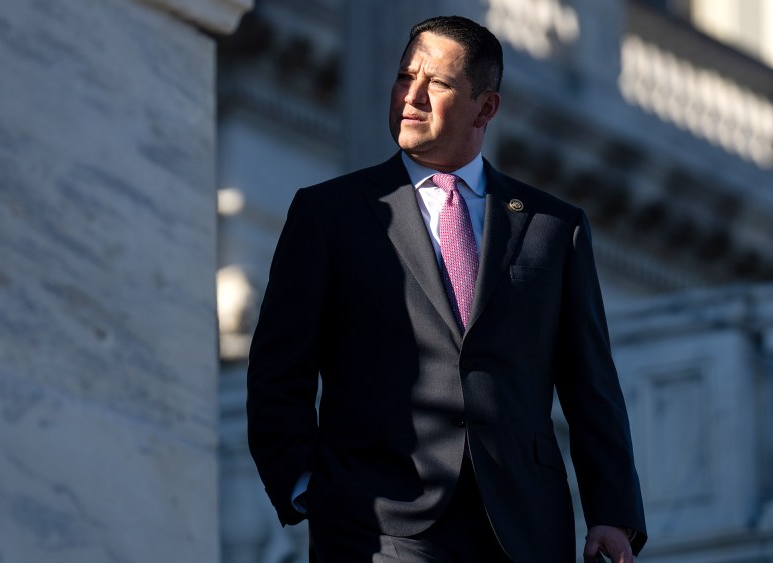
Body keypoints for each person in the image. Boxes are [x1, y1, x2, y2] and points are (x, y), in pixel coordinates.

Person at [246, 14, 647, 563]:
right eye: (405, 76)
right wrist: (304, 482)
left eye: (437, 84)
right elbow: (278, 369)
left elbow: (591, 384)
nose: (411, 96)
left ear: (485, 108)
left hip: (523, 527)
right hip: (376, 522)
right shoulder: (329, 214)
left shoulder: (554, 226)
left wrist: (613, 514)